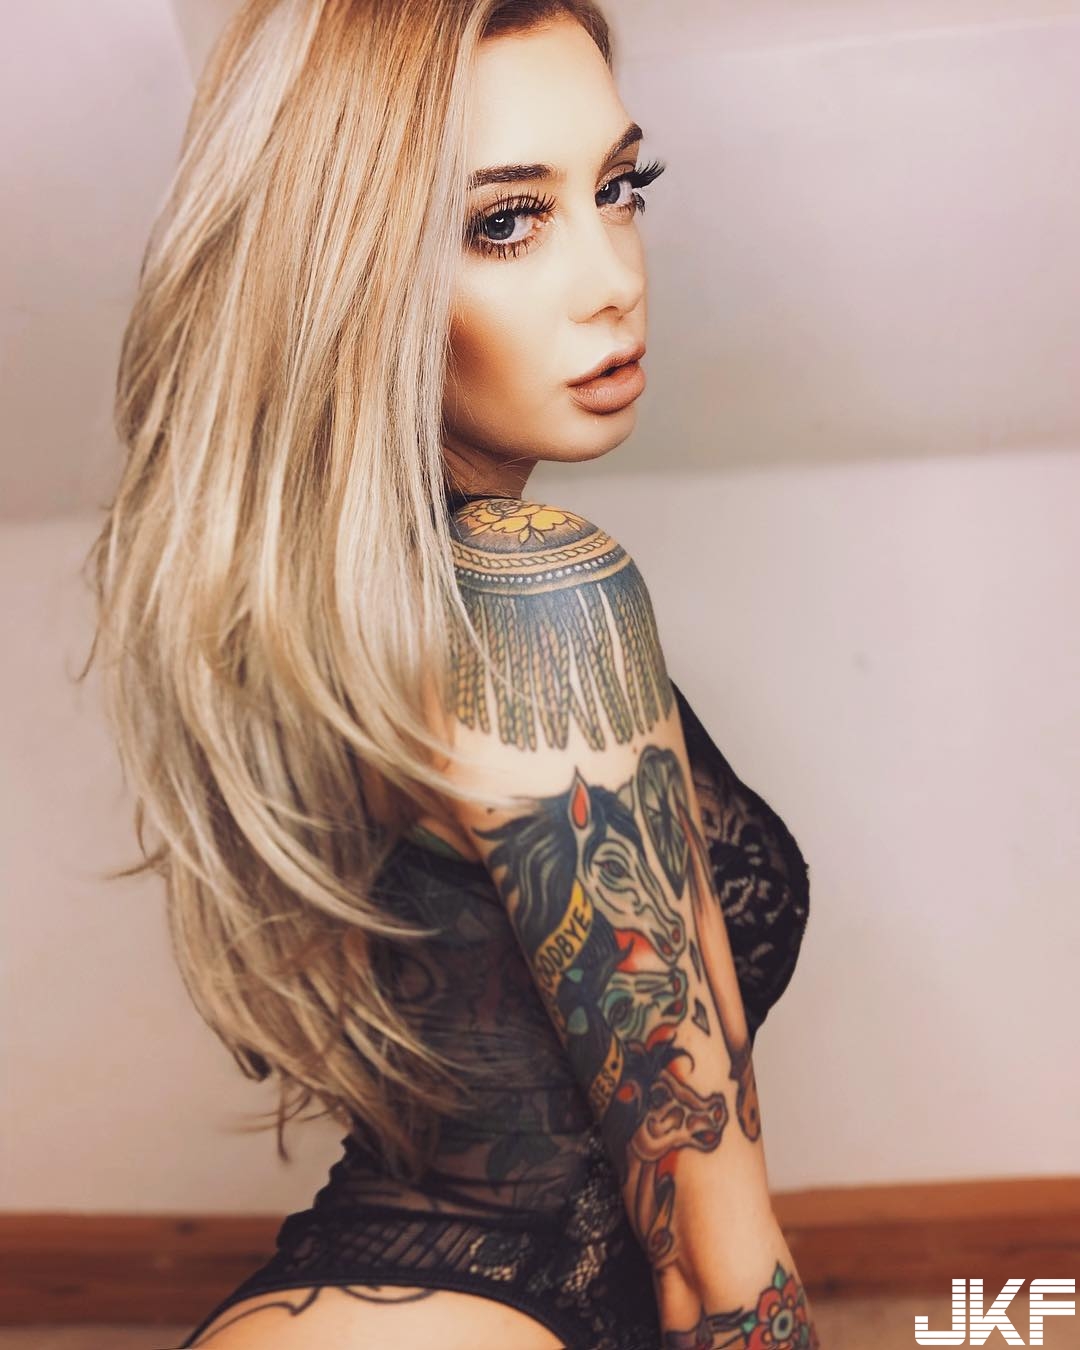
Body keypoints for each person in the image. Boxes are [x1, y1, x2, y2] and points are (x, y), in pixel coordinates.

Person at [83, 1, 818, 1345]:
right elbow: (726, 1261)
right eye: (506, 221)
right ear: (348, 268)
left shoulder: (353, 593)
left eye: (620, 187)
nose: (612, 276)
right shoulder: (532, 595)